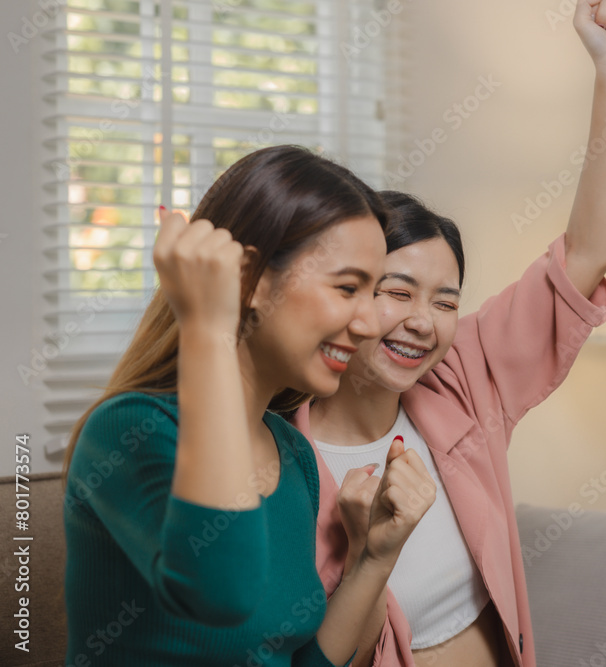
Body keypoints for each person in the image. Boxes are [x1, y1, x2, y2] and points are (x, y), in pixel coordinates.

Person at [289, 1, 606, 665]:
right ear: (348, 294)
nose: (424, 321)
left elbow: (588, 252)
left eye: (445, 300)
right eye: (397, 291)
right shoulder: (283, 459)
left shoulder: (463, 378)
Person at [62, 145, 437, 666]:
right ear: (252, 281)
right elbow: (221, 594)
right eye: (348, 287)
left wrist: (374, 557)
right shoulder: (131, 430)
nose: (371, 323)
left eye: (373, 292)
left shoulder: (292, 452)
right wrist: (209, 327)